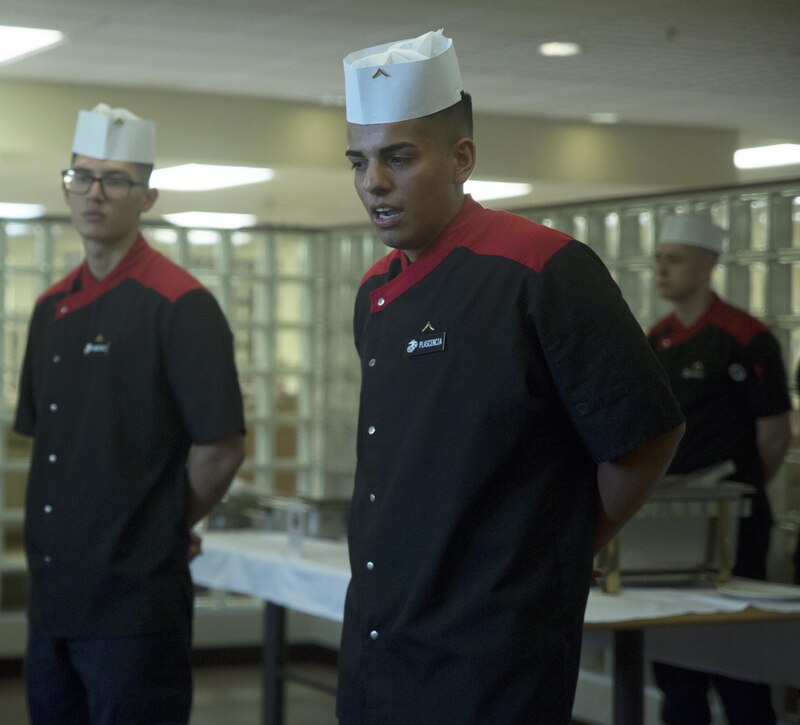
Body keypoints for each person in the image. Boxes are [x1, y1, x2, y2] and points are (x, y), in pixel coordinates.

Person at [335, 29, 686, 724]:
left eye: (399, 157)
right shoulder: (376, 290)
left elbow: (645, 436)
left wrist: (557, 549)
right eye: (359, 161)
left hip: (491, 647)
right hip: (382, 632)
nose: (373, 182)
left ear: (461, 158)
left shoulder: (543, 268)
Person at [13, 102, 246, 724]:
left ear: (147, 196)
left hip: (133, 606)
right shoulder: (51, 308)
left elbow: (221, 447)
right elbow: (52, 448)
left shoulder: (180, 305)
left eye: (115, 180)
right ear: (67, 187)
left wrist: (162, 525)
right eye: (82, 177)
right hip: (53, 598)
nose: (95, 193)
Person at [649, 213, 791, 725]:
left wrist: (737, 493)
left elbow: (773, 435)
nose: (661, 271)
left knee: (741, 666)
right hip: (673, 521)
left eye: (674, 260)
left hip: (735, 519)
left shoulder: (746, 337)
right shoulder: (657, 339)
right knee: (676, 671)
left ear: (707, 266)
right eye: (659, 260)